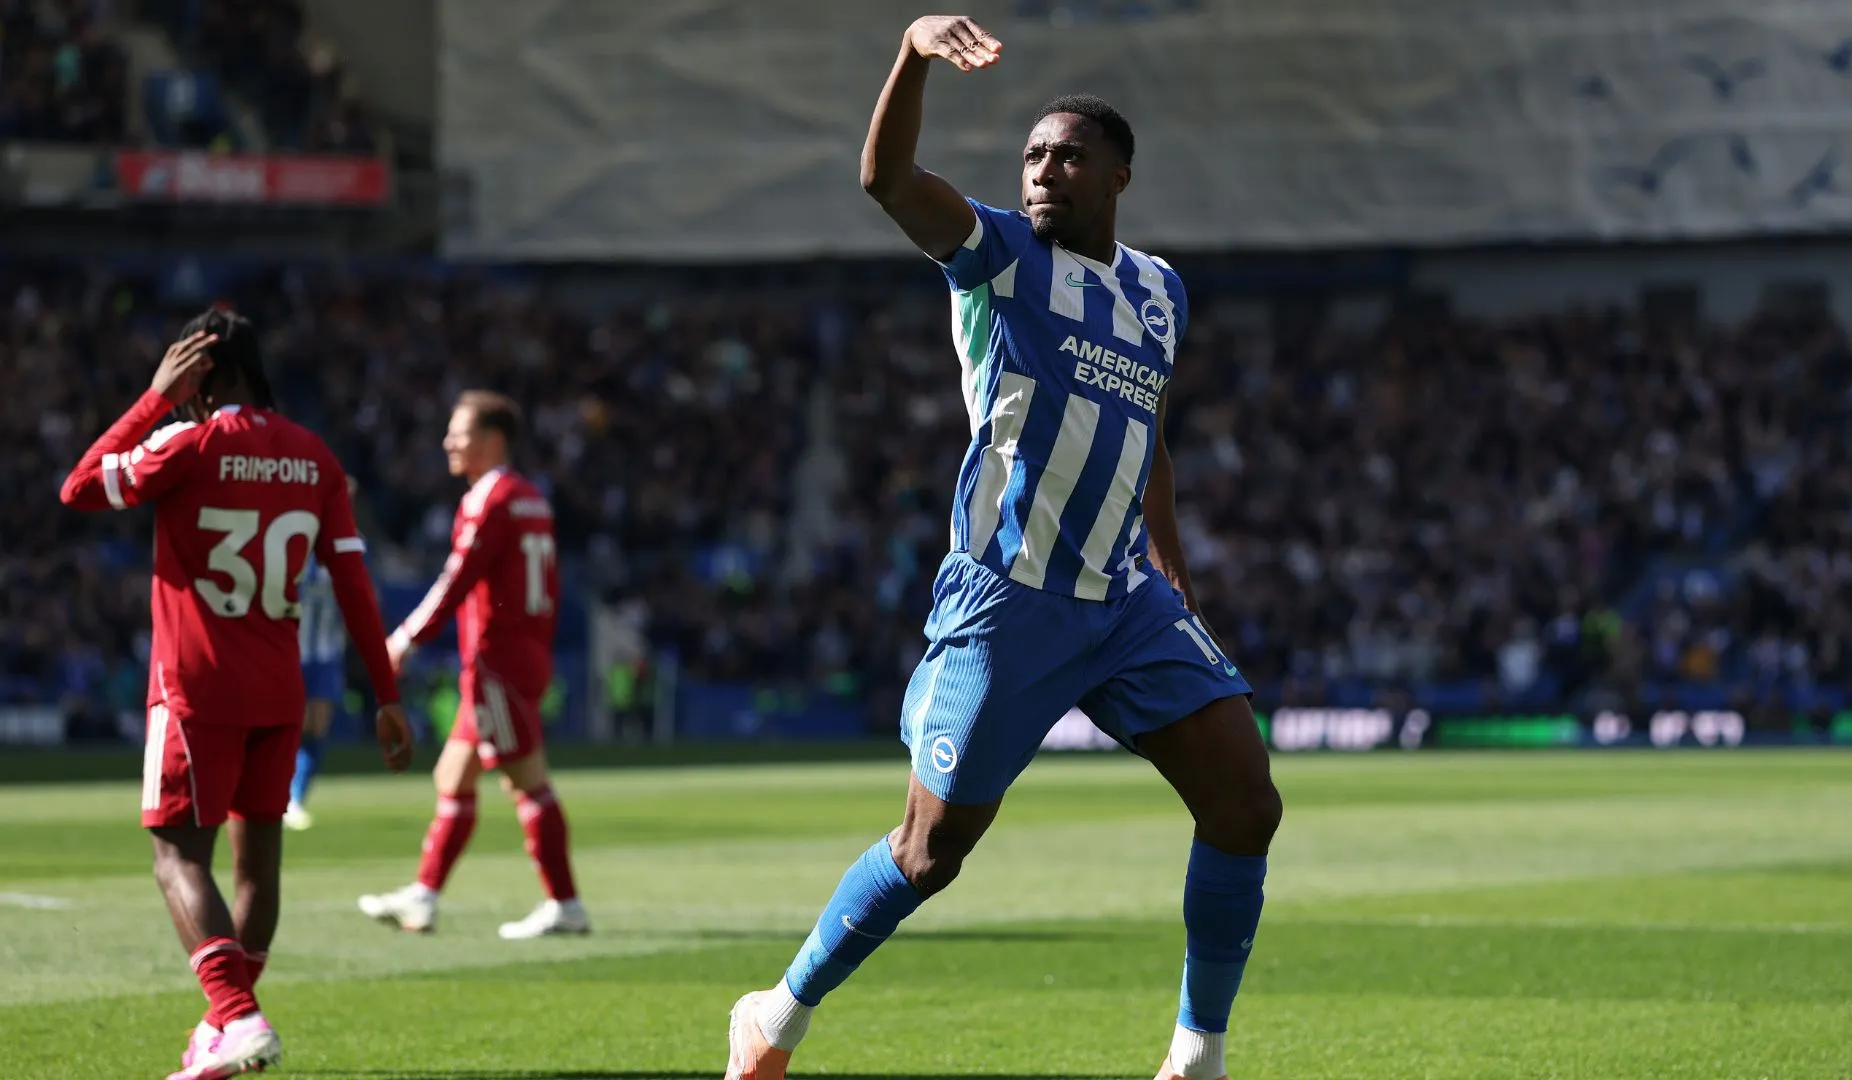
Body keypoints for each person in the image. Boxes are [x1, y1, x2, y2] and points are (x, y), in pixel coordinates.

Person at [720, 16, 1281, 1080]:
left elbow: (1144, 432)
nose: (1043, 172)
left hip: (1123, 601)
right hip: (1007, 599)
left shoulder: (1161, 293)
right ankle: (776, 1011)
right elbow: (884, 178)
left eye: (1067, 155)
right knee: (931, 855)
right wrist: (911, 50)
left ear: (1119, 173)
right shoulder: (998, 256)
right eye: (1030, 155)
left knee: (1247, 803)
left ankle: (1197, 1054)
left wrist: (1173, 566)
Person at [58, 311, 412, 1080]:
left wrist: (152, 400)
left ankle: (238, 1016)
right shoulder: (315, 458)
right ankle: (225, 1027)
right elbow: (353, 583)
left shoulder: (189, 441)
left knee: (176, 858)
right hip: (278, 694)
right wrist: (385, 696)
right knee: (259, 868)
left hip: (195, 689)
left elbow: (80, 486)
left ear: (203, 374)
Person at [357, 390, 588, 939]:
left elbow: (457, 579)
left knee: (527, 782)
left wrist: (406, 638)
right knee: (452, 775)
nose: (448, 442)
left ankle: (566, 904)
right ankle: (424, 897)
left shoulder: (490, 498)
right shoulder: (532, 496)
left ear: (492, 439)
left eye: (458, 432)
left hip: (497, 662)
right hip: (519, 653)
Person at [285, 537, 347, 831]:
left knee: (317, 726)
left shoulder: (351, 545)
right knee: (290, 725)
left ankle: (295, 798)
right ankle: (276, 792)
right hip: (290, 650)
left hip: (326, 652)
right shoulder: (293, 539)